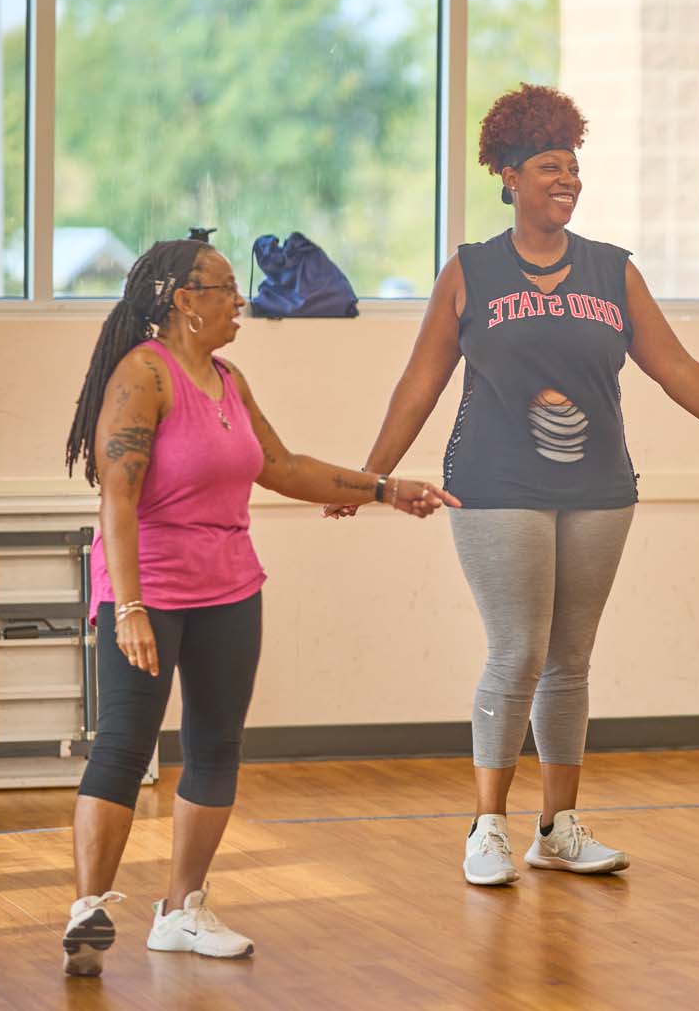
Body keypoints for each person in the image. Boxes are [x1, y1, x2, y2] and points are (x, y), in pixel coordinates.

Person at [329, 82, 699, 886]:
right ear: (509, 178)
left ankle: (556, 827)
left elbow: (676, 368)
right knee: (517, 650)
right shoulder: (471, 271)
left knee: (570, 658)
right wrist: (370, 477)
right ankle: (487, 824)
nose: (568, 180)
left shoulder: (612, 271)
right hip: (493, 481)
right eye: (550, 166)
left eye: (574, 168)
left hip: (598, 486)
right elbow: (419, 383)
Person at [60, 236, 457, 977]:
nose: (240, 300)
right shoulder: (144, 374)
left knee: (215, 747)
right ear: (184, 300)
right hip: (149, 587)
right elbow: (116, 494)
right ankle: (89, 910)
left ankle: (181, 909)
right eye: (224, 288)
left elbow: (280, 467)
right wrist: (127, 606)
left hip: (229, 585)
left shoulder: (229, 379)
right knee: (123, 744)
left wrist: (381, 487)